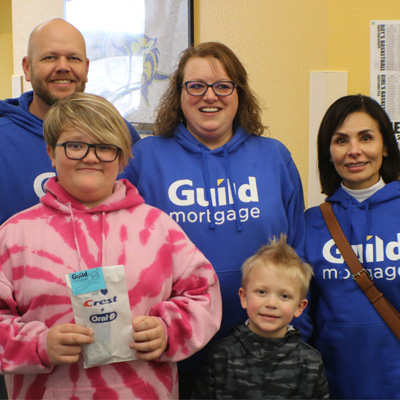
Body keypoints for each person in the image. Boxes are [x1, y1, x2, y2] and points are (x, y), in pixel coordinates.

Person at [0, 93, 222, 400]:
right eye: (75, 145)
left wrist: (168, 330)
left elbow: (203, 294)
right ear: (51, 152)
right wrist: (37, 344)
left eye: (104, 147)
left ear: (121, 157)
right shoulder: (14, 235)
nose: (90, 157)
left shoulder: (158, 228)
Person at [120, 42, 307, 395]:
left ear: (239, 93)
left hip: (263, 349)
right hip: (169, 347)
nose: (210, 96)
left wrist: (300, 332)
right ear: (179, 94)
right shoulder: (144, 159)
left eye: (223, 86)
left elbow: (297, 253)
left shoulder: (274, 157)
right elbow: (120, 249)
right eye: (196, 85)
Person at [0, 18, 140, 226]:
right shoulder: (4, 138)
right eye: (50, 57)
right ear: (27, 68)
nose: (63, 67)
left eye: (73, 58)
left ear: (86, 67)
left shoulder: (120, 134)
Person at [305, 94, 400, 399]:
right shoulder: (311, 223)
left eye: (366, 138)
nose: (355, 151)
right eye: (341, 140)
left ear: (384, 146)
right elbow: (298, 308)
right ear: (328, 151)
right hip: (333, 382)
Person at [192, 235, 329, 399]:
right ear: (244, 297)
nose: (271, 303)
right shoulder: (221, 355)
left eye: (284, 296)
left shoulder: (310, 362)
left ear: (299, 307)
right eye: (262, 292)